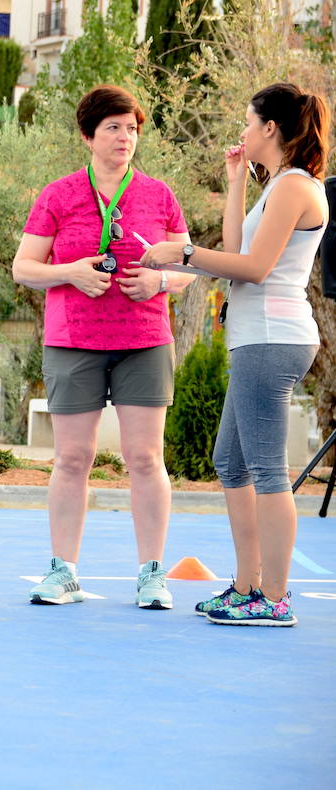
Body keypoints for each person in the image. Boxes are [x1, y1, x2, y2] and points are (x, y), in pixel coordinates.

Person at [142, 83, 331, 627]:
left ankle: (272, 598)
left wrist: (181, 251)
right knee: (231, 461)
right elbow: (234, 255)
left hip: (273, 337)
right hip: (257, 336)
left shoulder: (296, 187)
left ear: (270, 128)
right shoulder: (277, 186)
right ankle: (247, 586)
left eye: (248, 122)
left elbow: (255, 270)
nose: (242, 132)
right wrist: (233, 185)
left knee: (267, 471)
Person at [11, 84, 194, 610]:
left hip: (144, 340)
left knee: (144, 456)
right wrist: (71, 273)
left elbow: (186, 266)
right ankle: (63, 572)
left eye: (132, 127)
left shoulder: (158, 195)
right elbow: (24, 268)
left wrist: (159, 284)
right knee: (72, 458)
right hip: (73, 341)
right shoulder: (59, 194)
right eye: (114, 127)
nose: (125, 136)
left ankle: (152, 575)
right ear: (89, 135)